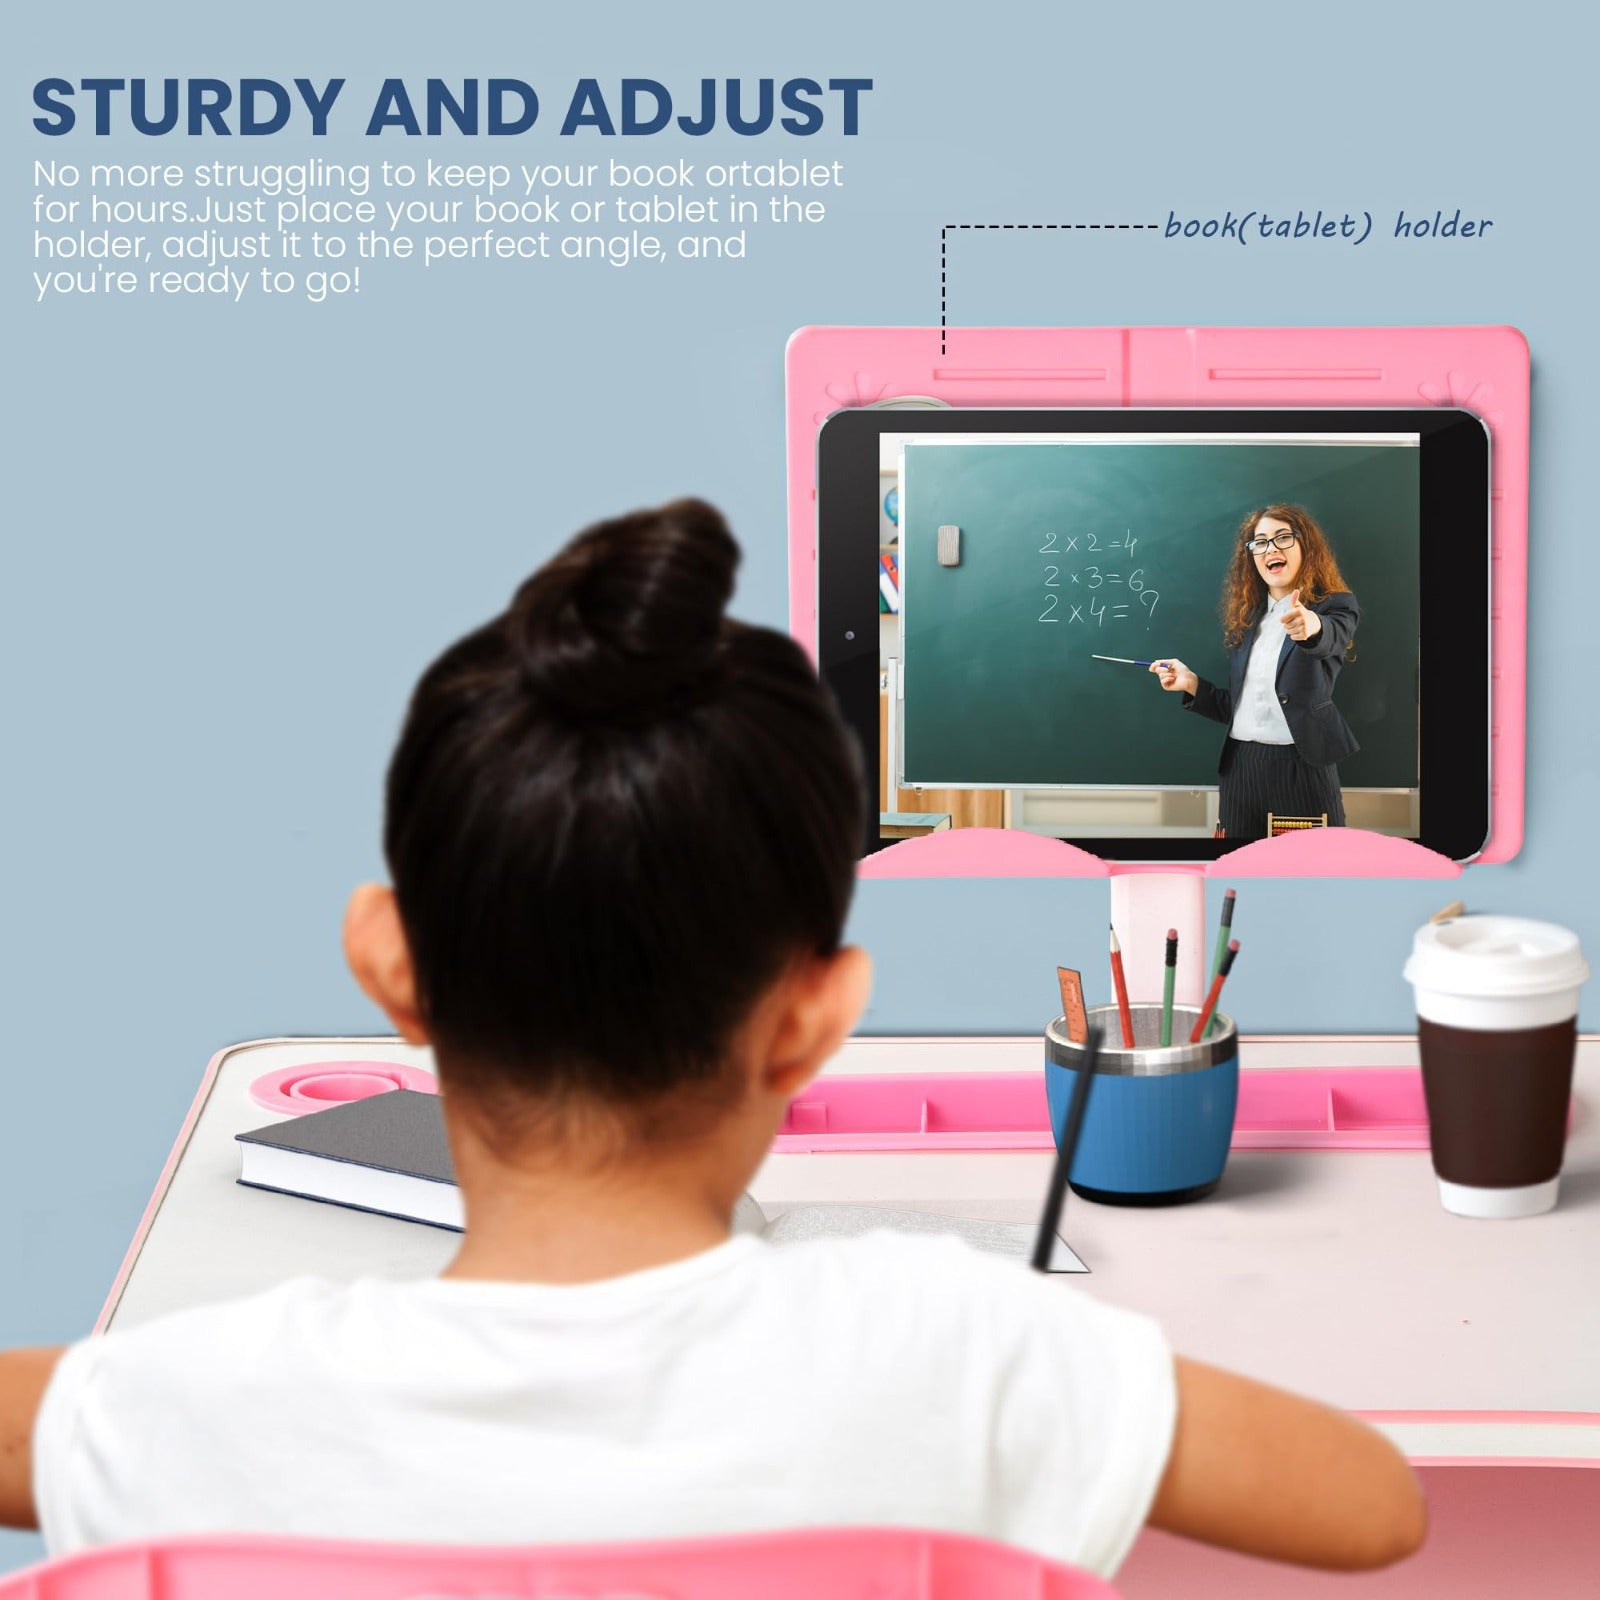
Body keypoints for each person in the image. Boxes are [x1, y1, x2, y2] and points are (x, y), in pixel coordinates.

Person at [0, 500, 1423, 1578]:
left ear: (391, 964)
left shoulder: (175, 1407)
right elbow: (1376, 1507)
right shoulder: (966, 1358)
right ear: (814, 1019)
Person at [1150, 504, 1360, 842]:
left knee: (1307, 870)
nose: (1270, 549)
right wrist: (1191, 685)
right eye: (1259, 542)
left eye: (1282, 538)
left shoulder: (1335, 606)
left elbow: (1330, 636)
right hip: (1241, 767)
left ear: (1305, 546)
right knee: (1235, 867)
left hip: (1300, 767)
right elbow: (1242, 707)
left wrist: (1311, 626)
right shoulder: (1248, 619)